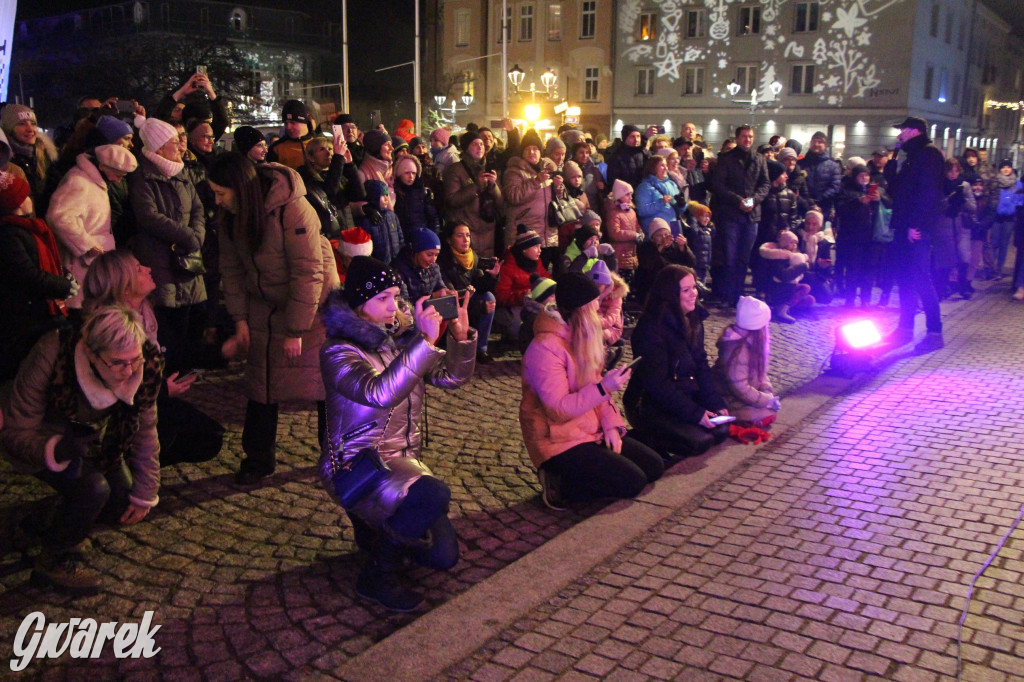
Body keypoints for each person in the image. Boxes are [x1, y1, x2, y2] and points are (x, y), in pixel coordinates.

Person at [319, 256, 476, 611]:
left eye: (395, 296)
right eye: (383, 299)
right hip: (358, 465)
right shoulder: (338, 350)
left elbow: (450, 377)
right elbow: (380, 393)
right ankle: (377, 576)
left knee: (442, 557)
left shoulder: (399, 340)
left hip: (402, 462)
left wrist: (460, 338)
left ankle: (376, 533)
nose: (394, 306)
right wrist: (422, 340)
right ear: (360, 305)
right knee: (434, 493)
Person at [1, 305, 162, 594]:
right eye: (117, 363)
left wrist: (146, 491)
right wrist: (57, 449)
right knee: (94, 488)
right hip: (41, 436)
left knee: (122, 501)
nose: (129, 372)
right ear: (90, 353)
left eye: (134, 360)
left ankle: (47, 518)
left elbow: (146, 429)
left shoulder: (143, 364)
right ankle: (54, 560)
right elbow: (16, 430)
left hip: (84, 437)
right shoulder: (53, 353)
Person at [207, 152, 340, 485]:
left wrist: (296, 329)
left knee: (320, 382)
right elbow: (232, 270)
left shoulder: (294, 209)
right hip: (262, 304)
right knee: (261, 382)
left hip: (311, 303)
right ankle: (258, 458)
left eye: (221, 192)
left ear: (240, 188)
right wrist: (239, 320)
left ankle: (336, 454)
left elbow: (309, 271)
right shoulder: (230, 215)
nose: (217, 200)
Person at [520, 272, 663, 510]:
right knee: (632, 481)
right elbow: (557, 410)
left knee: (653, 466)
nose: (598, 308)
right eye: (593, 304)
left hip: (588, 428)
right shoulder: (545, 348)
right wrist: (605, 387)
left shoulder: (583, 336)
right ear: (579, 309)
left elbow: (597, 388)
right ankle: (561, 486)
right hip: (557, 440)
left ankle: (584, 471)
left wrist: (611, 426)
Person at [81, 249, 224, 466]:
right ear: (124, 285)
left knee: (210, 436)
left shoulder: (148, 316)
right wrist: (163, 390)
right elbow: (116, 393)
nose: (148, 269)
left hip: (149, 398)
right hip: (118, 415)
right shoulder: (109, 332)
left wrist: (222, 352)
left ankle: (140, 466)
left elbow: (177, 351)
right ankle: (124, 466)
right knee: (174, 433)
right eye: (139, 269)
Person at [623, 265, 730, 458]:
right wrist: (695, 413)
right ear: (670, 295)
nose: (694, 294)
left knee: (721, 430)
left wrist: (713, 402)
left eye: (694, 288)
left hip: (683, 393)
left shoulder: (693, 319)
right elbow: (657, 385)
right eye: (686, 290)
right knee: (699, 442)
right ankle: (645, 437)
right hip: (650, 404)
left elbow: (701, 364)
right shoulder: (651, 329)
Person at [130, 117, 207, 374]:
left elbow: (197, 207)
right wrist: (187, 235)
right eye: (174, 142)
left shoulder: (182, 172)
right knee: (167, 323)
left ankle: (183, 371)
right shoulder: (143, 176)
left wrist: (197, 234)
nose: (180, 147)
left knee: (187, 318)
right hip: (161, 261)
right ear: (159, 146)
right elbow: (149, 216)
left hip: (188, 259)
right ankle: (167, 378)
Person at [0, 171, 76, 381]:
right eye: (25, 195)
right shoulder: (9, 235)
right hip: (28, 315)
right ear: (14, 203)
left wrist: (65, 277)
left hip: (39, 310)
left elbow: (49, 261)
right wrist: (63, 286)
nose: (30, 198)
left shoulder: (28, 228)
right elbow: (28, 275)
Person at [46, 144, 138, 312]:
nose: (119, 180)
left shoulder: (97, 181)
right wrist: (87, 244)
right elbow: (58, 216)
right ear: (102, 166)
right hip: (82, 264)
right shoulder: (78, 181)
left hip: (95, 264)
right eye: (118, 175)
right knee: (82, 315)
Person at [883, 117, 946, 352]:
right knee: (905, 277)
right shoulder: (912, 156)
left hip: (915, 227)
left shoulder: (928, 154)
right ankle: (905, 327)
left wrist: (915, 224)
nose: (899, 134)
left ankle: (934, 330)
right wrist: (892, 169)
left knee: (920, 276)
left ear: (914, 131)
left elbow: (927, 193)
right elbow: (902, 190)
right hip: (904, 224)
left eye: (903, 130)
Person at [710, 125, 771, 307]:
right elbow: (719, 185)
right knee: (730, 257)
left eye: (750, 137)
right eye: (744, 136)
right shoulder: (726, 159)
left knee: (744, 257)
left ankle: (738, 295)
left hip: (752, 215)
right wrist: (738, 201)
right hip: (730, 215)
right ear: (737, 138)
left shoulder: (759, 159)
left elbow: (765, 184)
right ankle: (728, 295)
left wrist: (754, 200)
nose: (748, 140)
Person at [713, 296, 781, 427]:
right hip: (728, 396)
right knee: (767, 414)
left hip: (743, 395)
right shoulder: (737, 351)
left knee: (769, 411)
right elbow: (739, 387)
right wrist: (766, 401)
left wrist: (767, 392)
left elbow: (761, 374)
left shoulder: (753, 344)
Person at [438, 222, 500, 363]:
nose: (466, 240)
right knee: (481, 303)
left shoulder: (472, 257)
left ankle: (480, 349)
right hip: (450, 306)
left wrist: (492, 276)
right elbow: (449, 298)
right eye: (460, 236)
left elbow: (478, 286)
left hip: (467, 301)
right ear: (449, 240)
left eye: (468, 235)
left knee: (489, 297)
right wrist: (479, 306)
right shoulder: (444, 261)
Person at [503, 129, 560, 269]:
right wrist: (535, 181)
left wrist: (559, 187)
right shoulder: (514, 171)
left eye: (535, 149)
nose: (532, 152)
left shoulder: (547, 171)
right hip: (525, 237)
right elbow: (513, 196)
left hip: (547, 236)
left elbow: (554, 201)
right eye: (528, 149)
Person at [443, 130, 502, 258]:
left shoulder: (489, 168)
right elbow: (452, 200)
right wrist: (476, 186)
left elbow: (501, 203)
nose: (479, 147)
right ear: (466, 148)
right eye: (474, 144)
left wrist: (493, 186)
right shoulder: (456, 170)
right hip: (467, 231)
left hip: (488, 233)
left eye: (481, 144)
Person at [835, 164, 884, 306]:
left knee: (868, 269)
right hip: (853, 237)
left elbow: (888, 204)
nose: (864, 178)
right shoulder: (846, 191)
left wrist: (879, 199)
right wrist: (858, 201)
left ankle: (865, 300)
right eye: (861, 175)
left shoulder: (876, 191)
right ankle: (850, 299)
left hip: (871, 237)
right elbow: (841, 208)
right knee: (853, 268)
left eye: (866, 175)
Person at [495, 224, 550, 342]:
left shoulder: (536, 262)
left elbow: (547, 278)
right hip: (515, 307)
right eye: (535, 247)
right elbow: (501, 295)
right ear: (524, 249)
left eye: (540, 246)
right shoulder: (508, 266)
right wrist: (524, 295)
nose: (540, 251)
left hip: (535, 303)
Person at [1, 104, 58, 212]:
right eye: (21, 124)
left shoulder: (44, 153)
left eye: (33, 124)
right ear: (9, 129)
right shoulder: (5, 160)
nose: (30, 129)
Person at [935, 159, 976, 300]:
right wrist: (949, 200)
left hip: (961, 226)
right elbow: (936, 207)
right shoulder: (939, 185)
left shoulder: (964, 186)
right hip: (944, 225)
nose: (953, 174)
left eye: (956, 170)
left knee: (963, 256)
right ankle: (943, 287)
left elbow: (973, 207)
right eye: (950, 171)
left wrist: (962, 200)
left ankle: (962, 285)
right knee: (945, 259)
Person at [758, 230, 814, 323]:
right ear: (784, 243)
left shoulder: (792, 257)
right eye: (791, 242)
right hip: (777, 288)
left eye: (796, 243)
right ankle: (780, 310)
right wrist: (802, 266)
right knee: (792, 287)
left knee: (808, 294)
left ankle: (786, 308)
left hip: (786, 287)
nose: (794, 245)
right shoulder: (777, 257)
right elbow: (785, 276)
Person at [393, 154, 441, 240]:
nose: (411, 177)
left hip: (423, 238)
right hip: (403, 239)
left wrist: (432, 237)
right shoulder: (394, 193)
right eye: (407, 173)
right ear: (399, 174)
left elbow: (433, 218)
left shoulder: (423, 193)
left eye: (413, 173)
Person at [797, 131, 842, 221]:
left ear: (825, 145)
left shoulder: (833, 166)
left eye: (820, 142)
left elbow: (835, 186)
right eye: (814, 141)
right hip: (803, 207)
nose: (816, 144)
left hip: (824, 208)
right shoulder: (801, 164)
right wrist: (808, 201)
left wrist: (819, 199)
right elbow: (797, 184)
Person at [635, 155, 682, 237]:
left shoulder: (672, 184)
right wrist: (661, 202)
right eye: (662, 166)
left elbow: (678, 210)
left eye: (666, 165)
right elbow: (641, 211)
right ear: (652, 168)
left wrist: (682, 204)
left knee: (676, 248)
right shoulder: (645, 187)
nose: (665, 168)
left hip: (674, 226)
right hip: (658, 232)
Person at [991, 160, 1023, 280]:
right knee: (994, 243)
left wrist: (1014, 208)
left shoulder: (1017, 184)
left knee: (1004, 244)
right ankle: (991, 268)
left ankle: (999, 269)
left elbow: (1020, 199)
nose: (1005, 169)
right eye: (1003, 167)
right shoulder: (995, 183)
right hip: (997, 217)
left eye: (1008, 167)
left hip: (1009, 219)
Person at [361, 180, 405, 265]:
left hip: (396, 263)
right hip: (379, 265)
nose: (386, 198)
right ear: (374, 197)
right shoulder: (367, 221)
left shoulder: (392, 216)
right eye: (382, 195)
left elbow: (400, 238)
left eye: (387, 194)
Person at [605, 180, 643, 276]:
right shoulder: (613, 213)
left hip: (631, 254)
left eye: (631, 194)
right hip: (620, 256)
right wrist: (634, 235)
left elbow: (637, 226)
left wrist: (640, 233)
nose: (630, 197)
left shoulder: (631, 212)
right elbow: (614, 233)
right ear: (618, 196)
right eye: (627, 195)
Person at [267, 100, 318, 170]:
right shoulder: (276, 148)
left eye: (293, 122)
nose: (288, 127)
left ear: (305, 121)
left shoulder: (320, 144)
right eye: (286, 123)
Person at [606, 125, 648, 191]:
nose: (636, 140)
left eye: (638, 136)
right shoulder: (617, 156)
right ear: (625, 138)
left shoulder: (643, 153)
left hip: (642, 192)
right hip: (626, 194)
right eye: (632, 136)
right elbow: (613, 180)